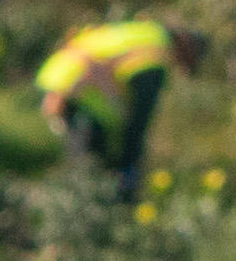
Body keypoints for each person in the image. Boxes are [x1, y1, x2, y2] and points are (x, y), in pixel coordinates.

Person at [33, 15, 188, 203]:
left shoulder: (142, 32)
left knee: (90, 157)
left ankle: (86, 201)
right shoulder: (155, 50)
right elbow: (137, 123)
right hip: (78, 84)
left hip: (61, 72)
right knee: (90, 160)